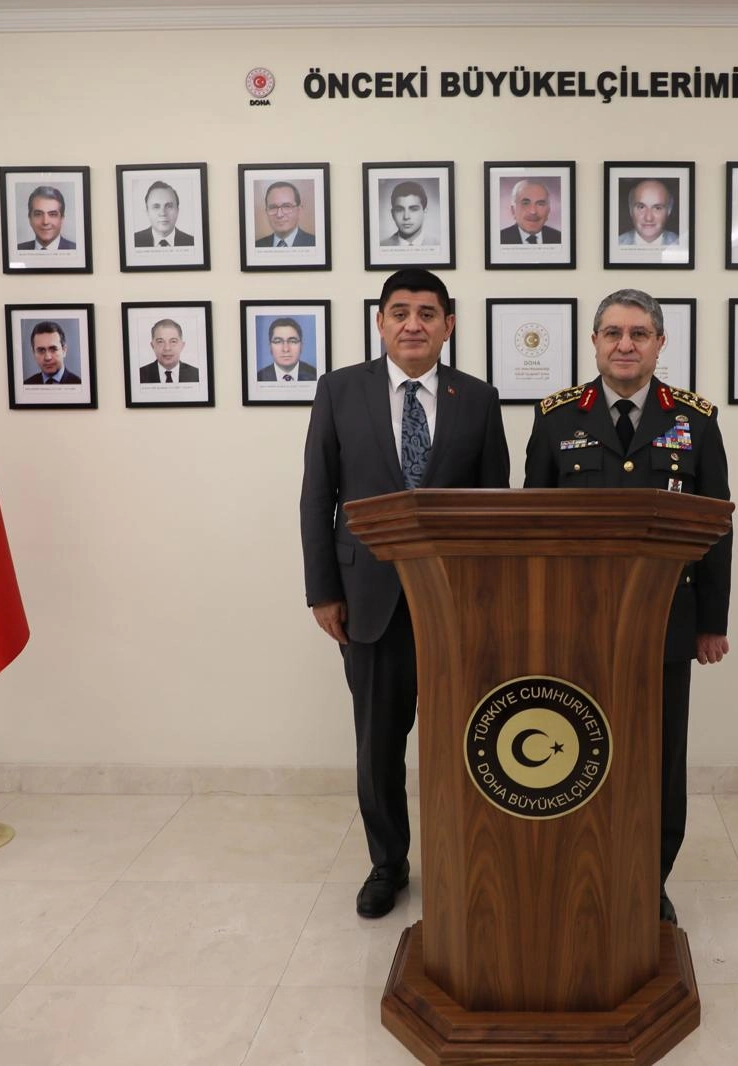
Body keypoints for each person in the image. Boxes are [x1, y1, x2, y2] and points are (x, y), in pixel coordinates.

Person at [300, 268, 510, 918]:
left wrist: (492, 602)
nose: (413, 324)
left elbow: (495, 507)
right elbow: (318, 495)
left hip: (456, 603)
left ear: (449, 325)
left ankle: (460, 856)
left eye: (427, 313)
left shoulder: (478, 398)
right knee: (378, 744)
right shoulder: (340, 390)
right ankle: (387, 864)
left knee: (463, 740)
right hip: (368, 600)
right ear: (380, 322)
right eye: (400, 312)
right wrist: (323, 591)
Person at [522, 288, 732, 926]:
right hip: (574, 623)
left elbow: (717, 529)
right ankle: (580, 866)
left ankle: (649, 876)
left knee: (659, 756)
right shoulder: (557, 418)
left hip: (666, 623)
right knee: (579, 748)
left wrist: (711, 624)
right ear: (594, 342)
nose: (625, 344)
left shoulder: (694, 420)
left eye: (639, 333)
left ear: (660, 344)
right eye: (612, 332)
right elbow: (530, 529)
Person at [617, 178, 679, 246]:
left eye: (657, 208)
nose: (648, 218)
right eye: (641, 207)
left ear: (669, 211)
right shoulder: (615, 244)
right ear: (631, 210)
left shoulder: (682, 245)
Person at [499, 178, 561, 245]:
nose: (533, 211)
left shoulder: (560, 238)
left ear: (548, 210)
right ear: (513, 210)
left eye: (540, 204)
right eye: (525, 203)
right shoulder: (499, 239)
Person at [132, 180, 194, 247]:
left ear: (177, 211)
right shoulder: (133, 241)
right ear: (147, 212)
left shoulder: (192, 242)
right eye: (156, 207)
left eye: (169, 206)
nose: (163, 213)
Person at [255, 181, 316, 248]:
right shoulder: (257, 245)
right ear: (266, 212)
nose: (279, 215)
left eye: (287, 206)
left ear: (299, 211)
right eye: (273, 207)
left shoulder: (315, 243)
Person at [136, 318, 199, 383]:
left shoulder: (197, 375)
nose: (167, 348)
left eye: (173, 341)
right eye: (160, 342)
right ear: (152, 346)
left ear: (182, 345)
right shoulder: (139, 375)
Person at [256, 316, 318, 381]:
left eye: (292, 341)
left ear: (301, 346)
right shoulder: (259, 378)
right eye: (278, 341)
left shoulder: (315, 375)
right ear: (270, 347)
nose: (286, 349)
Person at [17, 185, 77, 251]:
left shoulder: (76, 250)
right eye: (38, 214)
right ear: (30, 219)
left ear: (62, 219)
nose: (45, 222)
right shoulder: (18, 250)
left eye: (52, 214)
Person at [380, 181, 434, 246]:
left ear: (424, 211)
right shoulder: (381, 246)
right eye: (399, 210)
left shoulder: (440, 245)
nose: (406, 217)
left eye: (414, 209)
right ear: (392, 214)